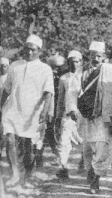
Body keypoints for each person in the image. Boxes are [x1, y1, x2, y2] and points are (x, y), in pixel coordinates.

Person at [1, 34, 54, 188]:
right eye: (27, 49)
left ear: (39, 51)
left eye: (33, 50)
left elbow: (48, 93)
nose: (29, 53)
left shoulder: (45, 69)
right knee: (10, 140)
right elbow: (6, 89)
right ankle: (15, 174)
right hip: (12, 109)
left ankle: (27, 176)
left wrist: (44, 112)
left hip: (32, 113)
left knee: (27, 147)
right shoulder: (14, 66)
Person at [80, 41, 112, 194]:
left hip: (104, 115)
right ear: (88, 55)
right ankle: (90, 169)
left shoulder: (110, 70)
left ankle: (96, 178)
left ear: (103, 56)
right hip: (86, 115)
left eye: (99, 55)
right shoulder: (82, 71)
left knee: (103, 147)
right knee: (87, 148)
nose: (96, 58)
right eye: (93, 55)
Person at [54, 50, 84, 179]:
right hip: (67, 115)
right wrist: (58, 116)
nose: (74, 65)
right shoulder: (64, 78)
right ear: (68, 63)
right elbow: (61, 99)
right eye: (71, 62)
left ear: (81, 62)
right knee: (63, 142)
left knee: (85, 141)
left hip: (83, 115)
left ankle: (84, 164)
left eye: (77, 62)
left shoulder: (86, 76)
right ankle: (63, 167)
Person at [0, 57, 10, 158]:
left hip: (7, 107)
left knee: (5, 130)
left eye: (4, 66)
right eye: (0, 66)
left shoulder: (10, 78)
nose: (2, 68)